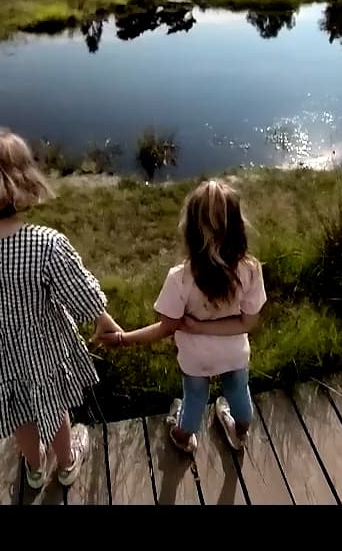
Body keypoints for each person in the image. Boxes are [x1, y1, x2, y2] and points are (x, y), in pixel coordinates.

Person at [0, 128, 119, 490]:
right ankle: (66, 463)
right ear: (24, 182)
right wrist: (103, 318)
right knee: (54, 405)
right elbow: (79, 292)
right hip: (42, 349)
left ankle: (34, 469)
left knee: (18, 409)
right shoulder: (45, 244)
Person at [103, 180, 265, 454]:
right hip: (234, 353)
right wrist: (206, 327)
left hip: (195, 358)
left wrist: (122, 338)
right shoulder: (250, 269)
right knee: (239, 392)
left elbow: (166, 327)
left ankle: (182, 436)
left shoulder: (180, 278)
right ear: (238, 226)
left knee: (194, 398)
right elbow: (248, 322)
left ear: (190, 229)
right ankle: (240, 431)